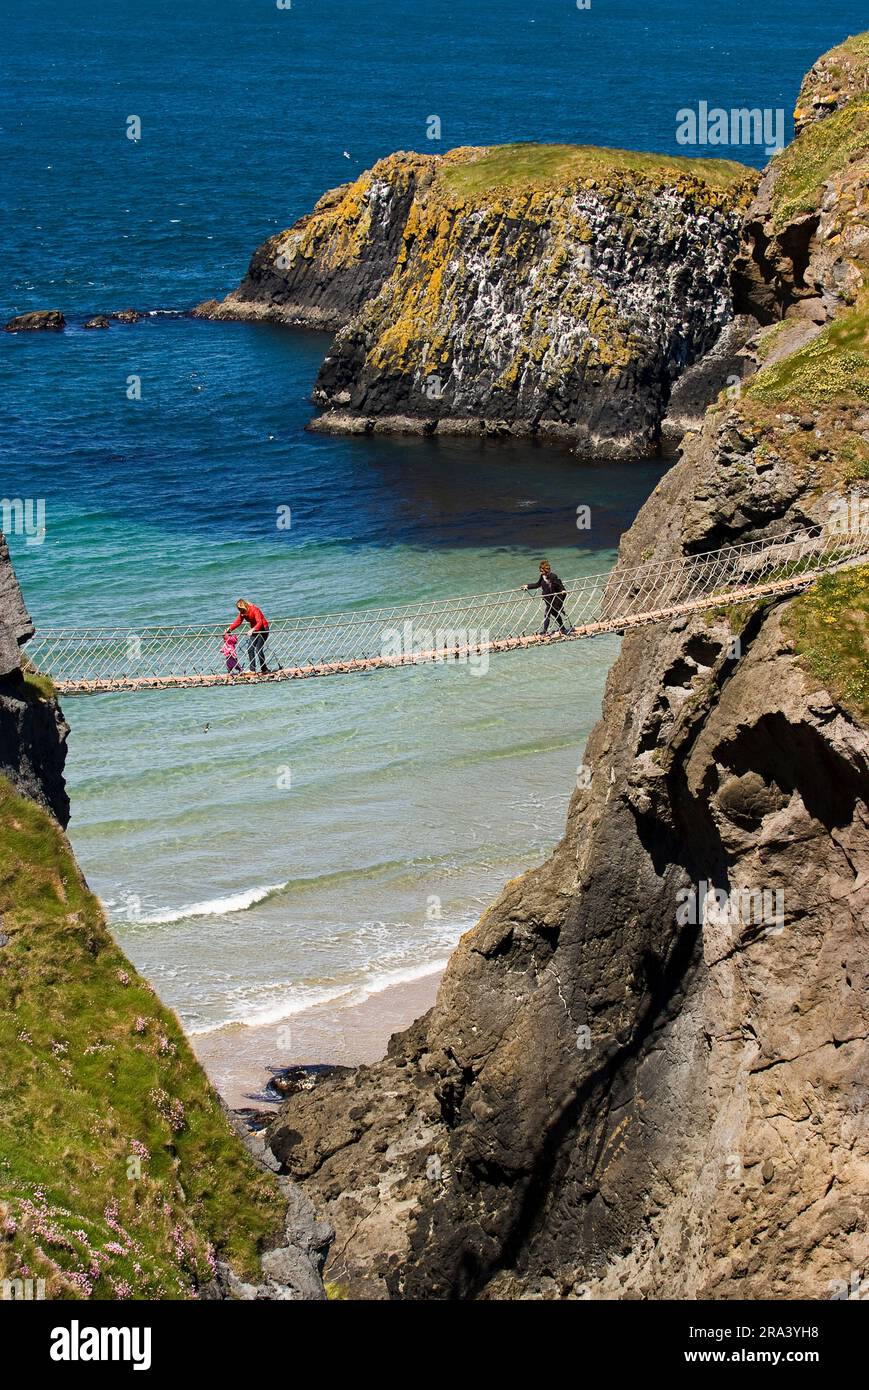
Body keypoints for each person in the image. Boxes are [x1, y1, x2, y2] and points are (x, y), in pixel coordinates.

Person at [523, 561, 575, 636]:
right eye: (540, 571)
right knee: (554, 613)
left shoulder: (553, 576)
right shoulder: (542, 577)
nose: (541, 573)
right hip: (548, 599)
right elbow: (537, 584)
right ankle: (562, 628)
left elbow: (559, 584)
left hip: (555, 599)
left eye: (542, 571)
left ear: (546, 570)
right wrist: (527, 586)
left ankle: (544, 631)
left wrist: (563, 590)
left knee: (547, 614)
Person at [225, 599, 270, 672]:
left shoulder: (254, 609)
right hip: (254, 631)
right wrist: (229, 629)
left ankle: (264, 668)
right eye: (239, 610)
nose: (241, 612)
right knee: (250, 648)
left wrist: (252, 629)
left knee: (258, 650)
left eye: (242, 610)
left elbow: (260, 623)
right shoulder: (242, 613)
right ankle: (252, 670)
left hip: (263, 629)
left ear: (245, 606)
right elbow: (238, 622)